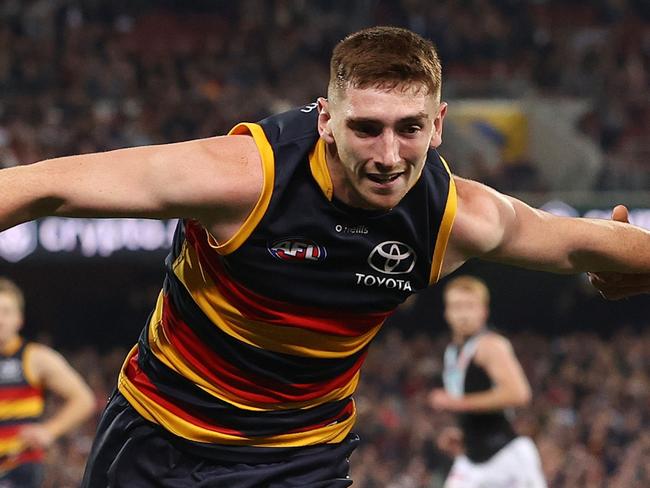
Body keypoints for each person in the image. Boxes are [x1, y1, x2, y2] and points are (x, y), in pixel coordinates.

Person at [0, 26, 648, 487]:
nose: (389, 155)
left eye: (410, 128)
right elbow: (40, 186)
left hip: (300, 459)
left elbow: (587, 243)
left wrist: (629, 263)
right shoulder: (243, 179)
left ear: (440, 124)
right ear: (325, 120)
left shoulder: (457, 218)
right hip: (157, 442)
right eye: (365, 127)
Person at [429, 275, 546, 487]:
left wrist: (457, 403)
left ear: (484, 312)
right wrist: (464, 434)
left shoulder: (490, 345)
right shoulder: (452, 352)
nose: (463, 313)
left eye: (470, 306)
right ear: (446, 312)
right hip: (472, 458)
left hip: (507, 457)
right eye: (457, 306)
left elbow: (519, 393)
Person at [0, 277, 95, 488]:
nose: (0, 319)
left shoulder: (34, 358)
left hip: (18, 467)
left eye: (6, 312)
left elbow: (84, 399)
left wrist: (49, 431)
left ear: (19, 319)